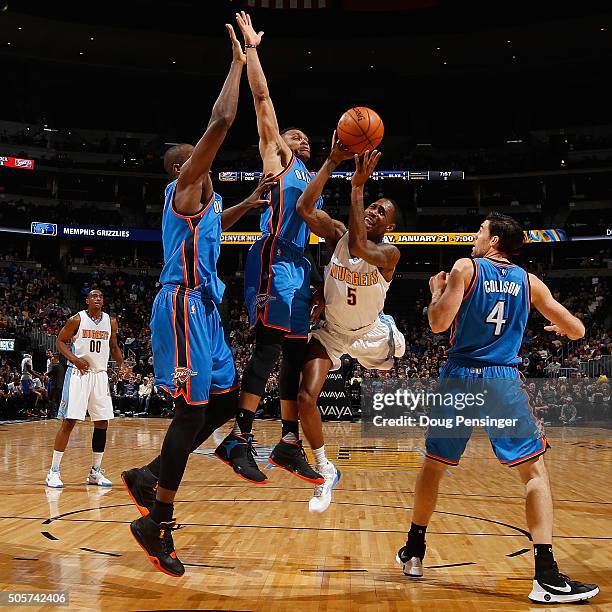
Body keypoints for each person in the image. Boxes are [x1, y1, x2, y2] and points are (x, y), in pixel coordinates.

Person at [122, 24, 277, 578]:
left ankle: (153, 473)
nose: (202, 154)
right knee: (189, 411)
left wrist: (248, 203)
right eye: (193, 156)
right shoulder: (184, 190)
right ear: (179, 168)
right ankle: (155, 518)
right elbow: (222, 121)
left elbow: (217, 220)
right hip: (182, 305)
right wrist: (239, 63)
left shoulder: (208, 204)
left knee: (229, 397)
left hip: (206, 313)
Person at [396, 212, 599, 604]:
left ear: (493, 242)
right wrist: (560, 328)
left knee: (434, 466)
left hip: (460, 376)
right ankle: (546, 574)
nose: (474, 237)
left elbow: (438, 324)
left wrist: (436, 293)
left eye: (479, 232)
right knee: (534, 474)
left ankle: (415, 551)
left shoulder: (464, 268)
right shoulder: (530, 282)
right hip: (501, 380)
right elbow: (578, 331)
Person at [214, 11, 325, 485]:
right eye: (294, 134)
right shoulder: (277, 159)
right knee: (267, 347)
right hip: (273, 261)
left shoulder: (311, 180)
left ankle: (286, 441)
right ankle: (237, 438)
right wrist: (253, 50)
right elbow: (262, 99)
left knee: (296, 354)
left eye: (304, 137)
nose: (300, 138)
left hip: (299, 268)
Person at [294, 142, 404, 512]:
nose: (374, 211)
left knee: (393, 356)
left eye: (382, 212)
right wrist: (329, 164)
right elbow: (304, 208)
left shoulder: (388, 254)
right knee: (305, 396)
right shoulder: (338, 233)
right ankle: (325, 469)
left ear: (390, 227)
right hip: (333, 332)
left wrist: (357, 186)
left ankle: (392, 333)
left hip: (372, 334)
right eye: (372, 205)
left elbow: (359, 248)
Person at [45, 289, 129, 488]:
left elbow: (115, 347)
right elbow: (59, 341)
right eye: (94, 296)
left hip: (100, 375)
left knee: (102, 423)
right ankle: (53, 472)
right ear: (87, 300)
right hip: (78, 374)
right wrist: (75, 359)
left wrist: (122, 366)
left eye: (100, 296)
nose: (98, 298)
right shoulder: (77, 319)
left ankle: (95, 472)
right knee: (69, 422)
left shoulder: (111, 321)